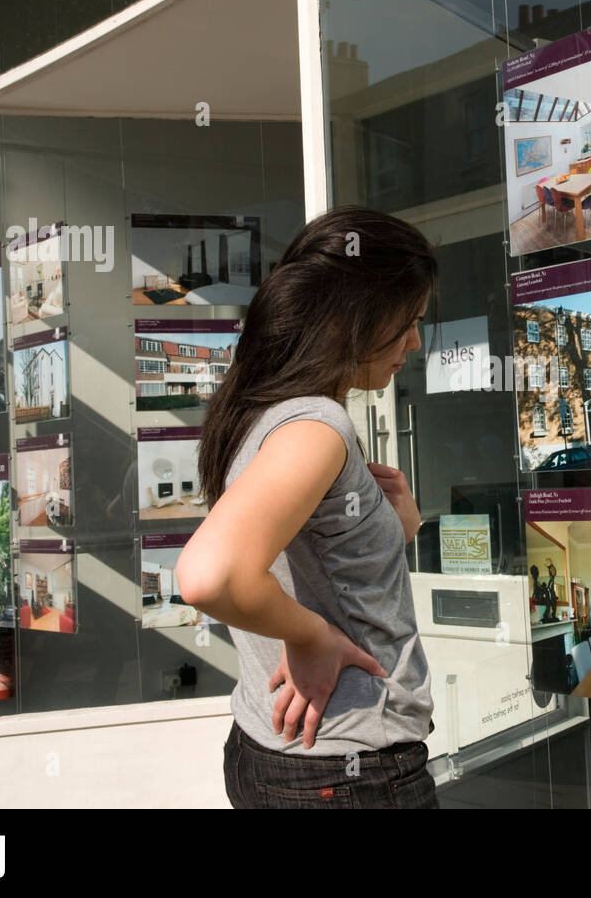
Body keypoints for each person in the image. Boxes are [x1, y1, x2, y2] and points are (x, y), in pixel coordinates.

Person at [176, 206, 438, 809]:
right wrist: (311, 638)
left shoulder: (256, 410)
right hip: (346, 771)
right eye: (409, 320)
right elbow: (209, 575)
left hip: (275, 751)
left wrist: (390, 531)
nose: (415, 342)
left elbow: (313, 566)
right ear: (358, 312)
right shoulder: (317, 425)